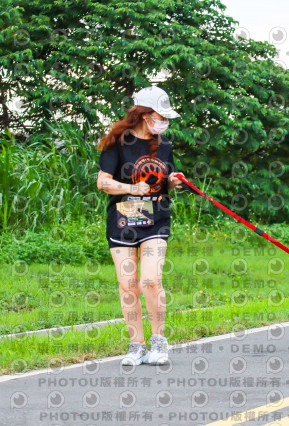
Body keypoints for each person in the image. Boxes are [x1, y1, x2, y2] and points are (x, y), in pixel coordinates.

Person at [96, 86, 184, 366]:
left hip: (156, 220)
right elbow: (103, 182)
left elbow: (164, 180)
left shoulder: (164, 145)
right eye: (160, 116)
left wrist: (173, 181)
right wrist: (131, 188)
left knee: (151, 280)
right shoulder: (117, 142)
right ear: (145, 115)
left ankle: (159, 341)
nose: (164, 122)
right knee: (128, 285)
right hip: (122, 220)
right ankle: (137, 346)